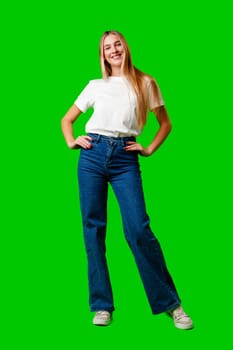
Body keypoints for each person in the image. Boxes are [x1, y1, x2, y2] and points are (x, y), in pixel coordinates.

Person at [61, 30, 193, 330]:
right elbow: (66, 119)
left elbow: (166, 123)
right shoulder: (95, 85)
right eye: (107, 47)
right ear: (103, 54)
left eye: (117, 44)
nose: (113, 50)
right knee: (93, 229)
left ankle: (171, 304)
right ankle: (102, 305)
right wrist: (71, 141)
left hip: (125, 157)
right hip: (92, 155)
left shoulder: (145, 82)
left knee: (138, 229)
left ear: (125, 46)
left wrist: (148, 149)